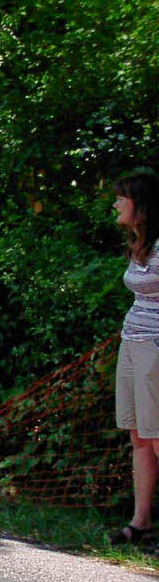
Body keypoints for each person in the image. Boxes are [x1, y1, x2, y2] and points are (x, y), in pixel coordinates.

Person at [112, 169, 159, 544]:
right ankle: (140, 522)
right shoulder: (140, 245)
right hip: (133, 344)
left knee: (158, 436)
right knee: (140, 437)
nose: (115, 203)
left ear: (140, 205)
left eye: (122, 198)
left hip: (155, 349)